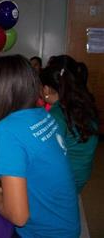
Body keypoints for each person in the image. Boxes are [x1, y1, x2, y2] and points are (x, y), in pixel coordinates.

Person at [0, 55, 80, 237]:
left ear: (4, 92)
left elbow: (19, 217)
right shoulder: (41, 114)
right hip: (66, 226)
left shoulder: (7, 130)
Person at [40, 55, 98, 193]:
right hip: (80, 176)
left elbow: (44, 157)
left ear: (47, 89)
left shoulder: (57, 115)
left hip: (65, 183)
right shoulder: (83, 104)